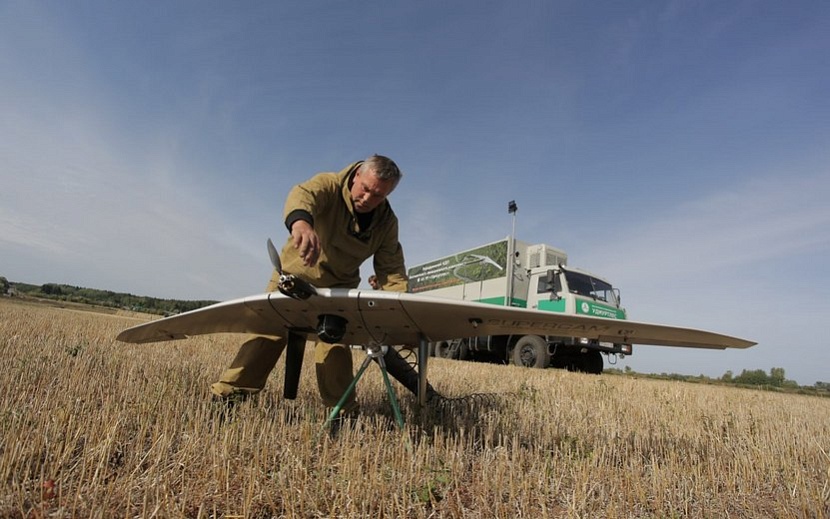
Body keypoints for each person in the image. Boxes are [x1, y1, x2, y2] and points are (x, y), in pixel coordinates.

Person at [211, 155, 437, 416]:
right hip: (294, 277)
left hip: (338, 288)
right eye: (365, 189)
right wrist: (301, 222)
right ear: (356, 177)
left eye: (378, 196)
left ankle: (341, 412)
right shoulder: (328, 184)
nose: (367, 199)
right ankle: (228, 396)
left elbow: (392, 269)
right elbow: (302, 194)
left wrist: (401, 316)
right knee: (267, 335)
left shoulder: (386, 223)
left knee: (335, 347)